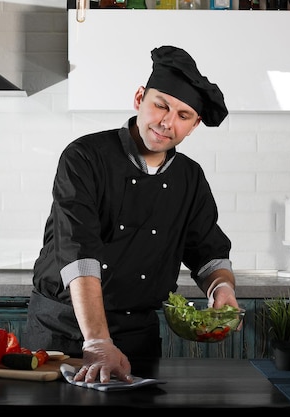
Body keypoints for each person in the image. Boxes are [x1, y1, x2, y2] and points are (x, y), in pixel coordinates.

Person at [22, 45, 239, 384]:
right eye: (160, 106)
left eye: (183, 116)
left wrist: (220, 289)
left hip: (137, 338)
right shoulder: (84, 158)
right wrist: (96, 341)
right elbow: (79, 253)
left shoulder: (189, 177)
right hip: (63, 334)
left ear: (194, 125)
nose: (167, 123)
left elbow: (208, 252)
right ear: (139, 98)